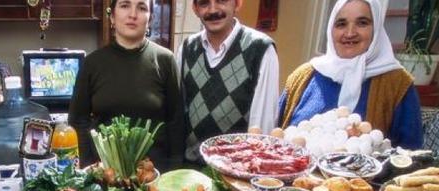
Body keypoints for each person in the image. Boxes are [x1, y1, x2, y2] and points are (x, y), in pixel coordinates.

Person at [278, 0, 423, 149]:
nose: (350, 33)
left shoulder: (397, 84)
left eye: (362, 23)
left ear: (376, 29)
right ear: (330, 29)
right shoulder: (302, 77)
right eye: (341, 24)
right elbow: (275, 138)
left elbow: (411, 155)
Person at [69, 0, 184, 170]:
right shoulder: (92, 63)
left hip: (154, 173)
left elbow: (176, 122)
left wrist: (174, 171)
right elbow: (78, 120)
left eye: (142, 7)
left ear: (150, 19)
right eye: (125, 5)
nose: (133, 14)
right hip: (105, 173)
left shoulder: (166, 60)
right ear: (112, 17)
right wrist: (87, 167)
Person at [178, 0, 279, 163]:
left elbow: (262, 124)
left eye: (221, 1)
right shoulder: (186, 48)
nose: (213, 10)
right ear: (195, 9)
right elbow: (179, 111)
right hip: (191, 169)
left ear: (238, 3)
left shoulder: (261, 49)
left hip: (235, 174)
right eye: (204, 3)